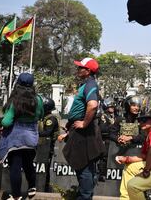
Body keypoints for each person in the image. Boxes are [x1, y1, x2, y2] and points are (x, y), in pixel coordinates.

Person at [58, 58, 105, 200]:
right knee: (84, 166)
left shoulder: (90, 84)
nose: (78, 70)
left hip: (84, 132)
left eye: (80, 67)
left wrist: (84, 123)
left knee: (83, 166)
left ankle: (84, 196)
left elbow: (92, 105)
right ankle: (85, 194)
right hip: (80, 131)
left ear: (88, 71)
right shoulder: (86, 84)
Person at [0, 73, 44, 200]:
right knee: (29, 163)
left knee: (15, 166)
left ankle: (16, 196)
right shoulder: (38, 99)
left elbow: (6, 122)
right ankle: (32, 187)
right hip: (31, 136)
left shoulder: (15, 101)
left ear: (18, 84)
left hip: (15, 137)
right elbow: (40, 115)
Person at [38, 96, 59, 191]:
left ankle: (45, 186)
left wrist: (33, 133)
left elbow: (47, 133)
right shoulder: (44, 117)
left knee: (45, 167)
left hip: (47, 147)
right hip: (41, 146)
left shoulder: (51, 119)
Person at [97, 97, 120, 182]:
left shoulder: (117, 116)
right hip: (104, 139)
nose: (112, 108)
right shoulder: (101, 116)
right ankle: (102, 173)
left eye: (113, 107)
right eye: (110, 107)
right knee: (104, 156)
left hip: (114, 139)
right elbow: (102, 128)